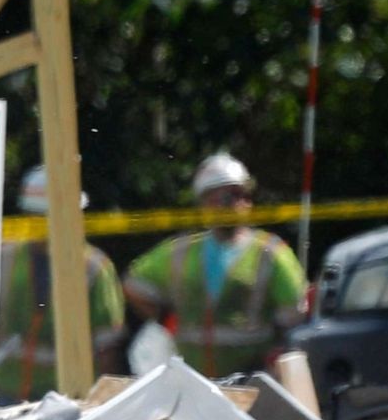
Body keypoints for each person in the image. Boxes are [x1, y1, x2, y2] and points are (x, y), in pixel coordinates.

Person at [124, 152, 307, 378]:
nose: (229, 204)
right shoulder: (181, 251)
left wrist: (277, 353)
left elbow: (294, 316)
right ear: (204, 202)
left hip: (254, 377)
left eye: (237, 195)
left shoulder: (270, 253)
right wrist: (166, 319)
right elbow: (135, 284)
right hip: (194, 378)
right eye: (218, 197)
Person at [0, 165, 126, 406]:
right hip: (4, 391)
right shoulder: (3, 258)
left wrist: (100, 403)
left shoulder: (94, 267)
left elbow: (107, 346)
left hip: (66, 397)